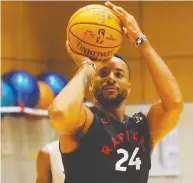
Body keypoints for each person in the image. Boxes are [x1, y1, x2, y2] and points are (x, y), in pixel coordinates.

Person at [48, 2, 183, 183]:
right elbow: (59, 112)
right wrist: (88, 66)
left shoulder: (142, 128)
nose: (111, 78)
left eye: (119, 74)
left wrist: (143, 43)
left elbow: (174, 104)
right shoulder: (85, 121)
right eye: (102, 73)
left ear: (129, 86)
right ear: (90, 84)